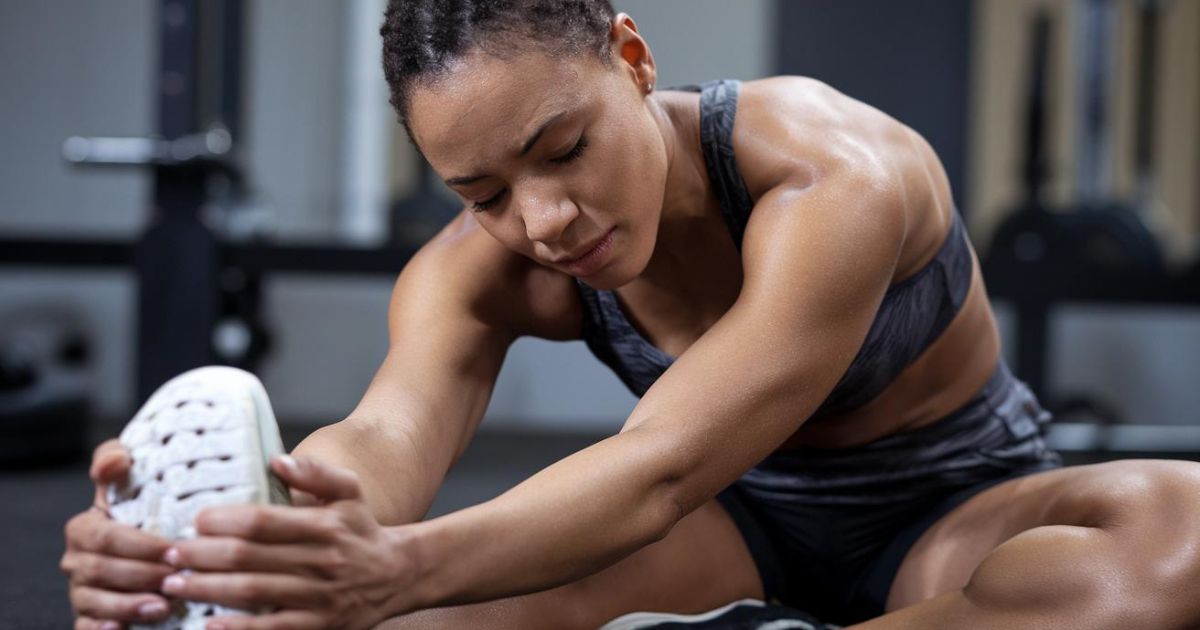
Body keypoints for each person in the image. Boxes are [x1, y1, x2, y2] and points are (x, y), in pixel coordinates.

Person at [61, 1, 1200, 629]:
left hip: (956, 512)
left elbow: (658, 462)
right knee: (404, 619)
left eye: (564, 149)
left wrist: (398, 568)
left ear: (635, 58)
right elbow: (381, 445)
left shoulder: (834, 171)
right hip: (721, 535)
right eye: (485, 192)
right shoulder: (472, 270)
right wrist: (249, 544)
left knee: (1177, 537)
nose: (545, 219)